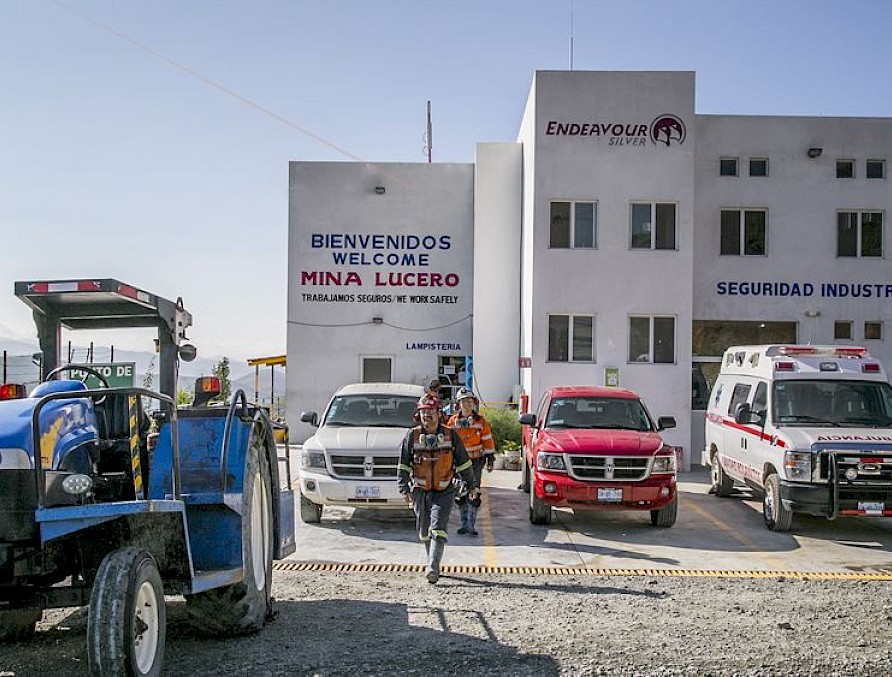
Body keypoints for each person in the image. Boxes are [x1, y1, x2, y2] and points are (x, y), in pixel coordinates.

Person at [398, 394, 479, 584]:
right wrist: (404, 489)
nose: (427, 415)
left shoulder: (451, 435)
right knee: (424, 530)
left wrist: (471, 486)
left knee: (438, 528)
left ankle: (433, 568)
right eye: (423, 412)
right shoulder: (412, 436)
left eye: (431, 411)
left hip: (445, 490)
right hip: (420, 490)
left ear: (439, 413)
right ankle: (431, 561)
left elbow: (464, 463)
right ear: (418, 415)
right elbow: (403, 465)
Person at [447, 388, 496, 536]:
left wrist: (490, 458)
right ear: (458, 404)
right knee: (460, 493)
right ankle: (464, 524)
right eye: (463, 401)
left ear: (473, 403)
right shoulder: (452, 422)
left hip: (475, 462)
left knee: (474, 492)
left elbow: (487, 440)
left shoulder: (480, 421)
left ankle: (471, 525)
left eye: (469, 401)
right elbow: (447, 442)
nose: (467, 404)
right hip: (458, 463)